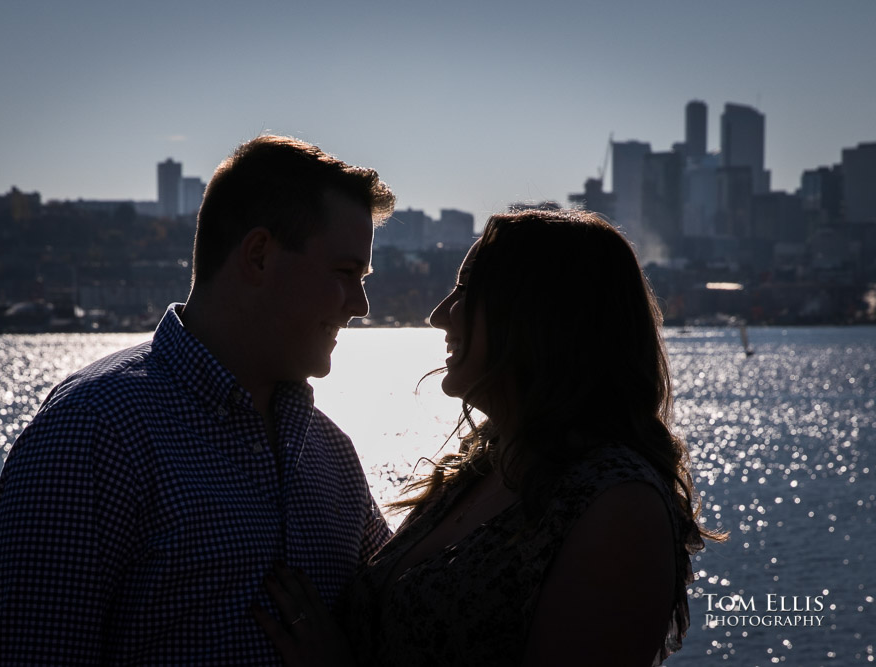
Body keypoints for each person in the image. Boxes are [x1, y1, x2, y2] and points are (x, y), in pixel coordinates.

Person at [0, 135, 396, 665]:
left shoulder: (330, 453)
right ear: (259, 255)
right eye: (345, 274)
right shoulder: (90, 435)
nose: (361, 306)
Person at [256, 208, 724, 666]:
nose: (439, 316)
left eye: (466, 291)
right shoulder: (484, 465)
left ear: (542, 316)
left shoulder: (619, 504)